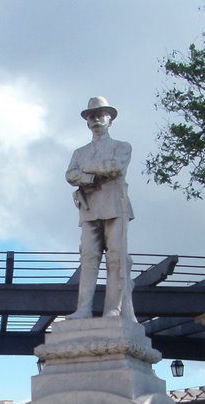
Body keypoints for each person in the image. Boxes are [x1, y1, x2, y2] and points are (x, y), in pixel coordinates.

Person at [65, 96, 136, 321]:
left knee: (115, 257)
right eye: (91, 116)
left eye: (100, 115)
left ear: (110, 119)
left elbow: (115, 167)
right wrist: (93, 174)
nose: (95, 119)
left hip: (115, 205)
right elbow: (70, 175)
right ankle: (83, 309)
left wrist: (86, 171)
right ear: (87, 122)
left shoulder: (121, 146)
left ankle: (113, 309)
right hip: (89, 208)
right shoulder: (80, 152)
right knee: (88, 257)